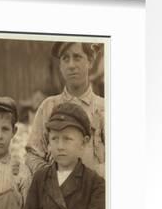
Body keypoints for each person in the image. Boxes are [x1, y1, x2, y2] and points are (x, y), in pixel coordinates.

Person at [25, 42, 105, 177]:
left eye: (77, 57)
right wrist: (52, 177)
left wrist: (91, 177)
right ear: (60, 66)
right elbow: (32, 154)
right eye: (65, 59)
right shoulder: (48, 107)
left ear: (90, 62)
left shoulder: (104, 108)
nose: (71, 65)